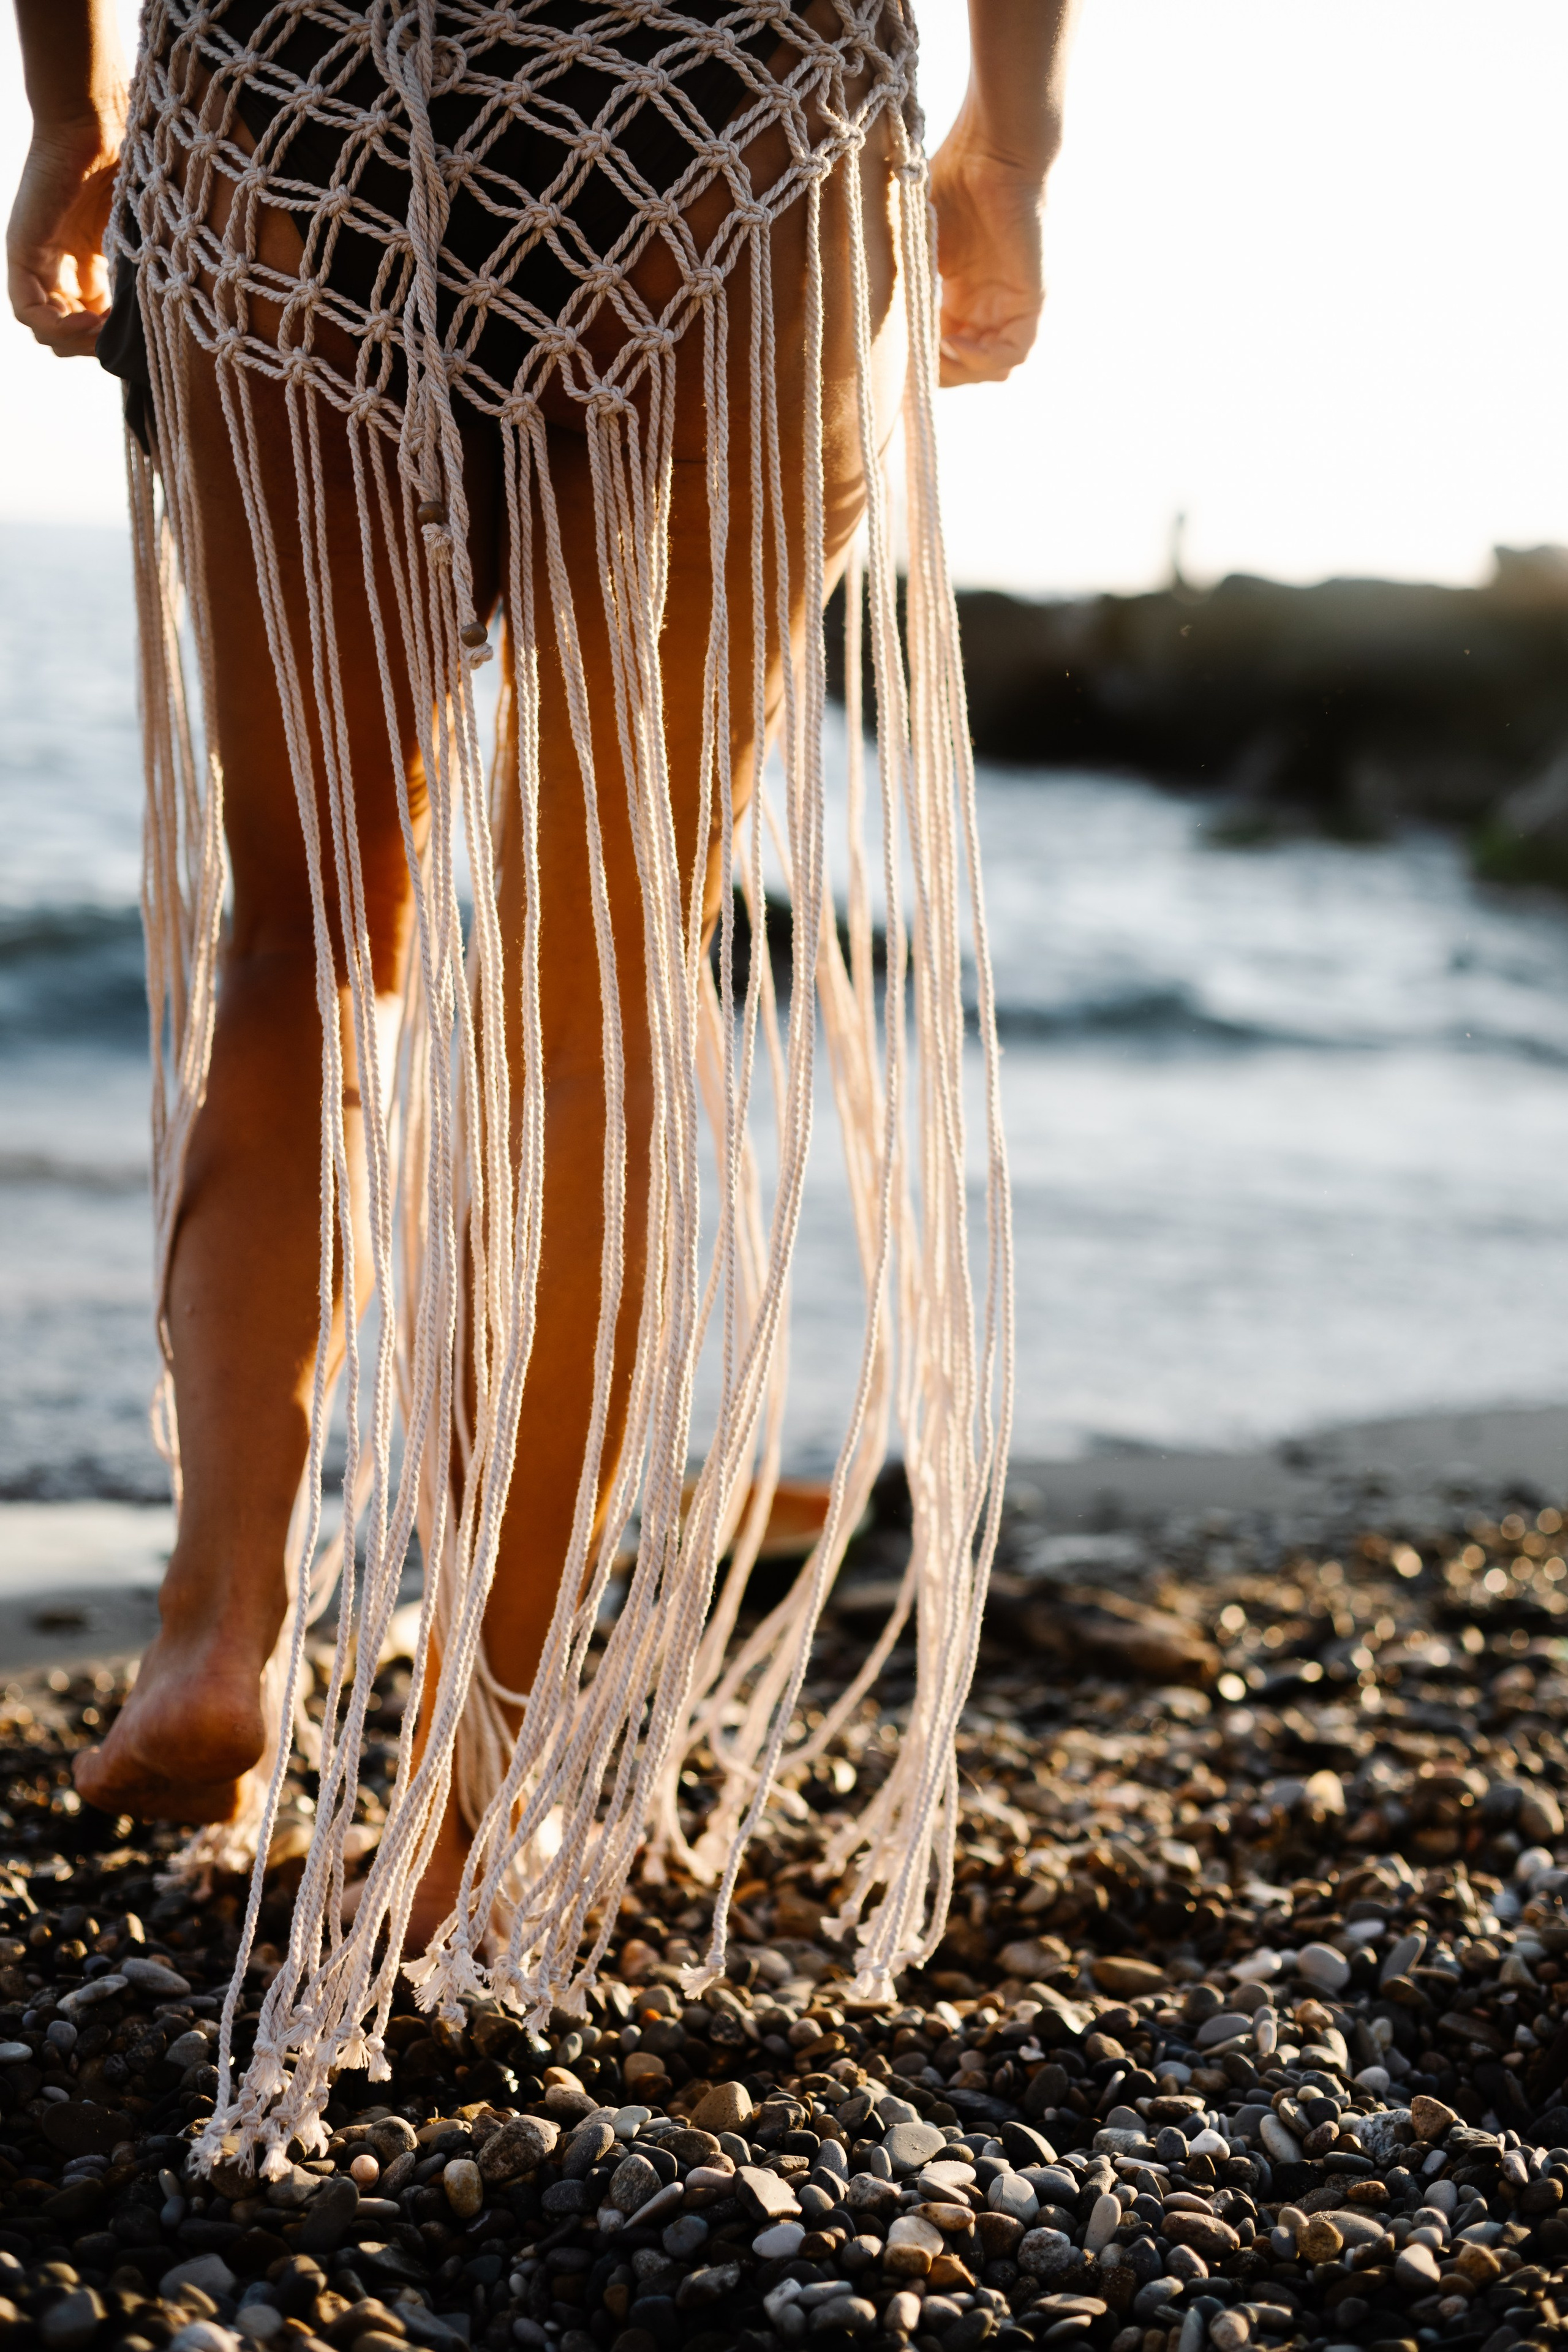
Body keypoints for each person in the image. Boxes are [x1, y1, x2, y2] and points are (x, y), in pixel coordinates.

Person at [7, 0, 1075, 2151]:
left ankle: (220, 1625)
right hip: (722, 101)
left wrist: (65, 108)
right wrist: (1013, 143)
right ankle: (481, 1772)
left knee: (305, 926)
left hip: (301, 89)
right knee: (599, 960)